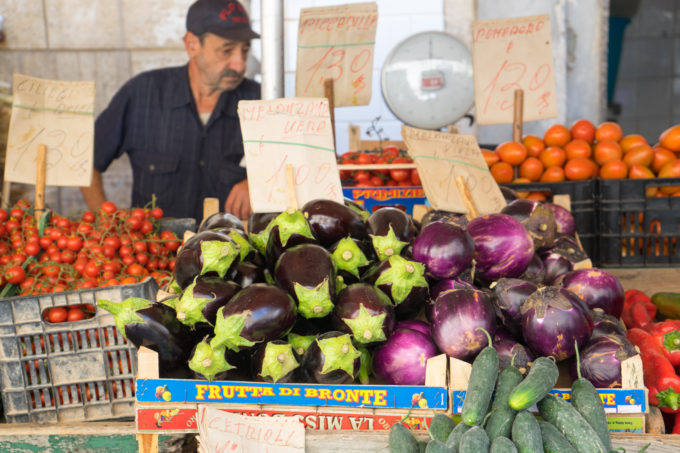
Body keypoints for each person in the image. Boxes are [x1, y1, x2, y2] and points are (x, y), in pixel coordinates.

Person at [80, 0, 260, 221]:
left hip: (231, 249)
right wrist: (105, 223)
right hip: (156, 249)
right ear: (192, 45)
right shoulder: (141, 94)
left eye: (244, 50)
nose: (240, 64)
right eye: (227, 51)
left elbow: (297, 168)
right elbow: (86, 162)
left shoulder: (259, 102)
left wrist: (257, 181)